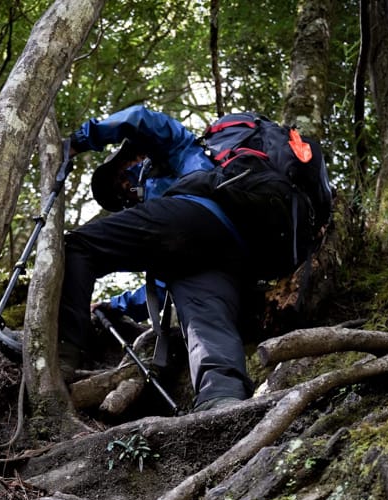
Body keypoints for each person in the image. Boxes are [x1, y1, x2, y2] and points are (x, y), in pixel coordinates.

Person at [57, 104, 255, 412]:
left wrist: (78, 142)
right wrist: (115, 306)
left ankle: (61, 355)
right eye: (121, 196)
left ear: (134, 159)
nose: (125, 193)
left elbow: (139, 118)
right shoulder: (165, 219)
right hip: (226, 249)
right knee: (204, 323)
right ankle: (222, 400)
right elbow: (160, 288)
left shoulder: (176, 151)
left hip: (197, 212)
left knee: (78, 246)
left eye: (120, 180)